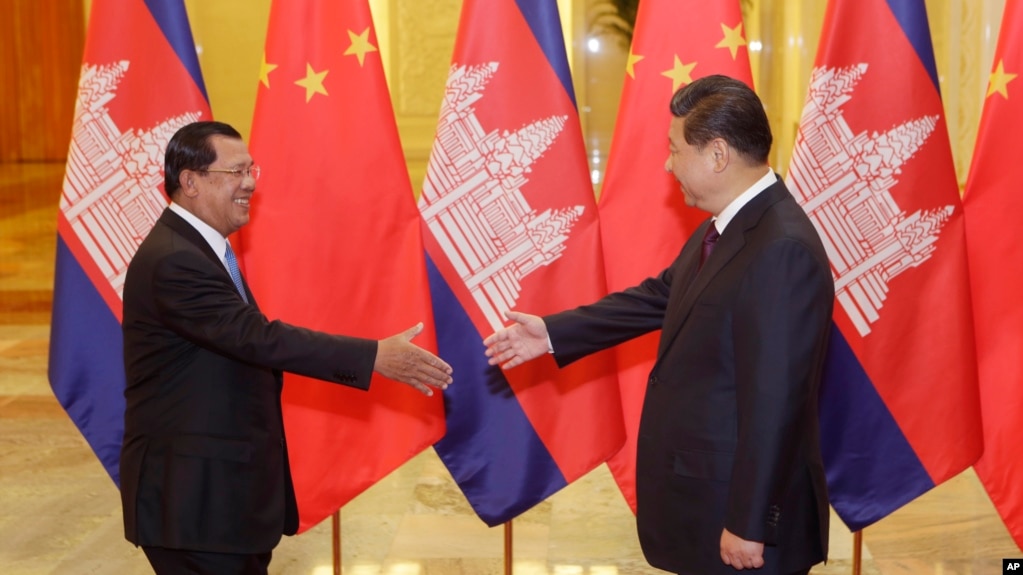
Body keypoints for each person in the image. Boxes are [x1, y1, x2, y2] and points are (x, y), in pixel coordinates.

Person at [484, 75, 833, 575]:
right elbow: (660, 297)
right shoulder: (728, 226)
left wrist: (750, 521)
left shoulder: (781, 249)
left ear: (717, 154)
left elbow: (776, 402)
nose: (668, 165)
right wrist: (553, 333)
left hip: (741, 523)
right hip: (706, 503)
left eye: (674, 150)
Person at [119, 120, 453, 575]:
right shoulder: (176, 259)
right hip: (195, 504)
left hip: (220, 502)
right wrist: (373, 356)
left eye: (251, 169)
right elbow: (259, 338)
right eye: (234, 172)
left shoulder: (200, 249)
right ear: (190, 182)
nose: (250, 183)